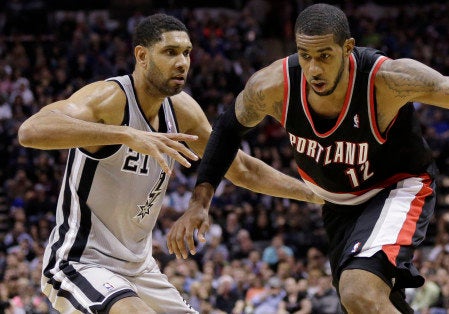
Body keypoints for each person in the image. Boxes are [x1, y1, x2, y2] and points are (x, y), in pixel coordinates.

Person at [166, 4, 449, 313]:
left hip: (396, 188)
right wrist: (200, 201)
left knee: (359, 292)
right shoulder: (273, 86)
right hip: (336, 204)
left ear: (347, 49)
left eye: (325, 56)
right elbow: (227, 127)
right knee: (361, 304)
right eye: (306, 56)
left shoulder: (389, 80)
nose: (315, 68)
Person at [17, 13, 321, 314]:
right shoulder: (109, 99)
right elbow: (31, 130)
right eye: (170, 52)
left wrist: (315, 194)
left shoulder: (183, 110)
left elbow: (240, 167)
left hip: (140, 268)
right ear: (142, 56)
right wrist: (125, 134)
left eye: (187, 53)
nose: (182, 62)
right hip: (82, 260)